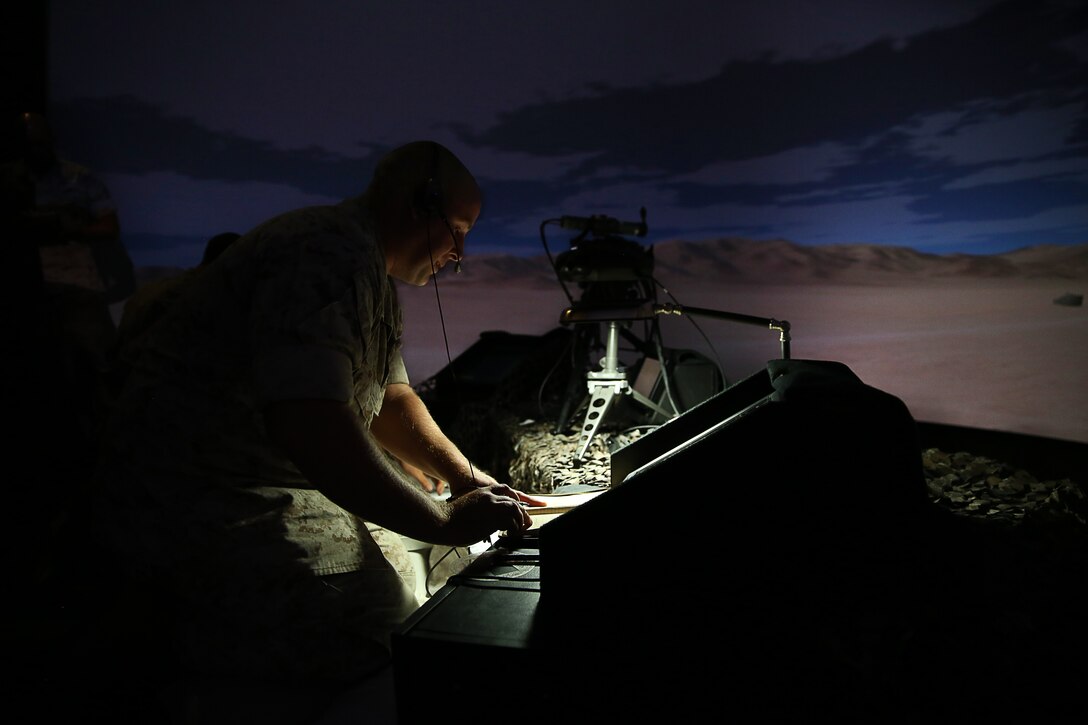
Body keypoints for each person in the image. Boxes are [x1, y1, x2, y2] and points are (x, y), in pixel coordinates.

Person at [89, 141, 543, 712]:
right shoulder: (325, 255)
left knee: (421, 555)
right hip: (200, 496)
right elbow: (311, 422)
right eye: (456, 230)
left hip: (253, 478)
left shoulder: (366, 270)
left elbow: (390, 397)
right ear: (416, 205)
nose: (459, 255)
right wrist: (444, 521)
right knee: (386, 606)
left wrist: (466, 478)